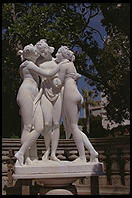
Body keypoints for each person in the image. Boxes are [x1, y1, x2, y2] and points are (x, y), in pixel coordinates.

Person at [15, 44, 60, 166]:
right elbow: (48, 73)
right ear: (32, 54)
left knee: (39, 127)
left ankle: (22, 153)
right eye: (36, 53)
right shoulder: (28, 64)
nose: (38, 55)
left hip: (35, 96)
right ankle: (27, 157)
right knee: (27, 126)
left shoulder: (28, 64)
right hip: (26, 93)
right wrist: (62, 64)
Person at [55, 46, 99, 163]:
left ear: (62, 55)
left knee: (73, 127)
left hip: (69, 94)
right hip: (77, 94)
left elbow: (58, 82)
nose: (56, 56)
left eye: (58, 54)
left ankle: (82, 157)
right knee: (76, 128)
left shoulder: (63, 65)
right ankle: (93, 152)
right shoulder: (71, 65)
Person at [26, 39, 63, 162]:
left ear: (49, 49)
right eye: (41, 52)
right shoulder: (37, 62)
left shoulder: (56, 61)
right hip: (45, 92)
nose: (43, 53)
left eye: (44, 50)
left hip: (57, 93)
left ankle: (53, 153)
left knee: (56, 124)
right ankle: (47, 150)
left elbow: (63, 75)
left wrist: (59, 81)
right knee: (47, 124)